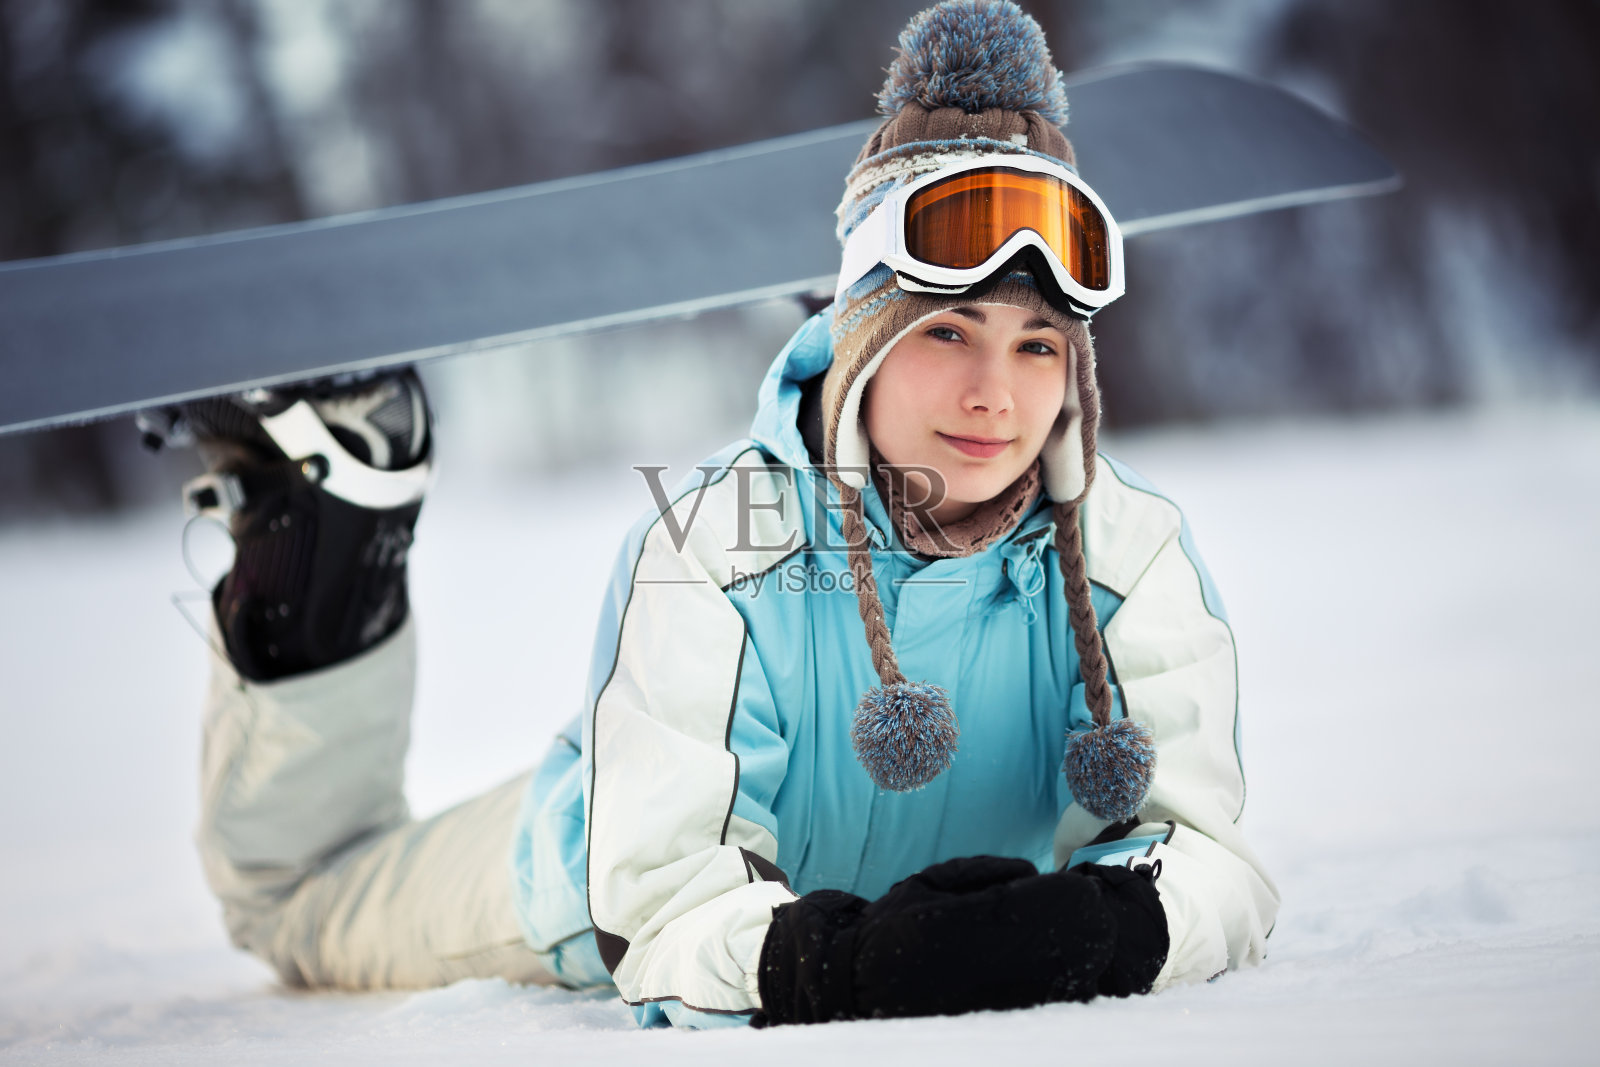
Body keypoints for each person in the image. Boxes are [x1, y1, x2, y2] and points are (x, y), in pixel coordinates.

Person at [180, 0, 1277, 1030]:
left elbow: (1211, 862)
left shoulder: (1133, 551)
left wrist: (1096, 925)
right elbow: (661, 897)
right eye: (945, 331)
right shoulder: (720, 540)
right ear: (868, 337)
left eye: (1037, 344)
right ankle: (321, 526)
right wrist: (839, 962)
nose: (998, 393)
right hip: (606, 848)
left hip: (780, 808)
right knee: (298, 903)